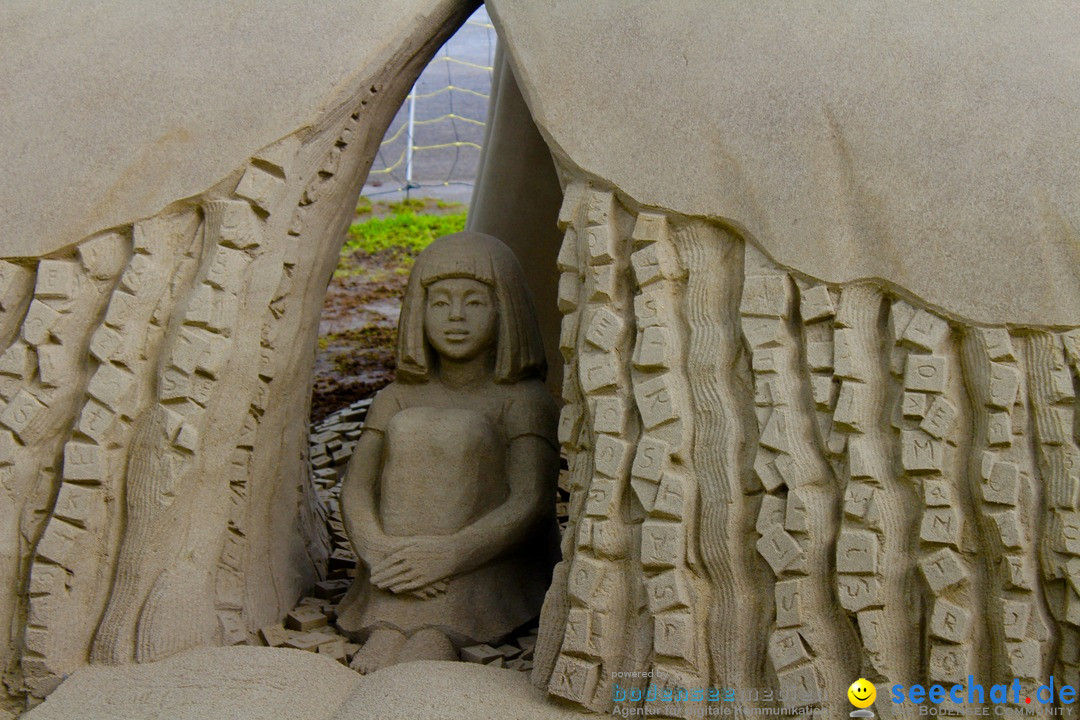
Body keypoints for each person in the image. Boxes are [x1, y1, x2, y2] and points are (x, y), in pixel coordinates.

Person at [336, 231, 560, 673]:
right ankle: (392, 622)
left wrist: (449, 556)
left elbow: (531, 502)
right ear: (419, 313)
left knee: (460, 431)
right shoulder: (395, 398)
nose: (455, 317)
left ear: (505, 311)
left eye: (474, 302)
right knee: (414, 428)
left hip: (484, 563)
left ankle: (437, 625)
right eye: (440, 303)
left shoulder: (524, 401)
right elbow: (356, 489)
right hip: (396, 565)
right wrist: (377, 549)